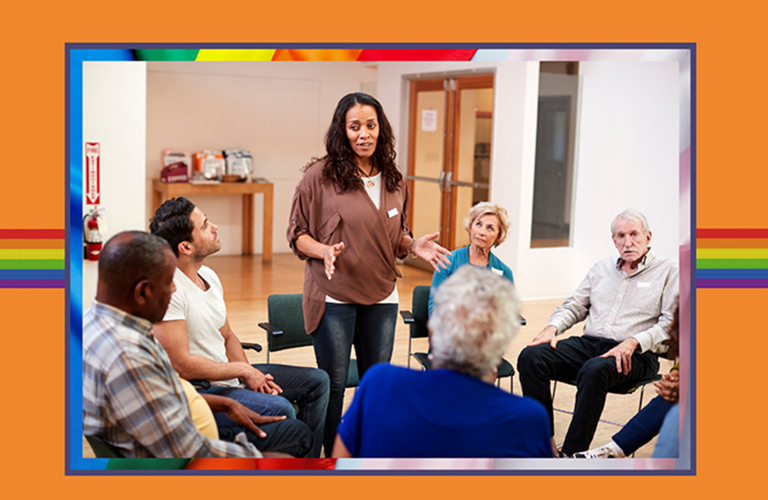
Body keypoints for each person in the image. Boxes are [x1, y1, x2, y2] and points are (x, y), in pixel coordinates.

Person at [287, 92, 451, 454]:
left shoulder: (394, 179)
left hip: (382, 295)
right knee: (332, 386)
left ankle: (366, 454)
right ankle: (327, 458)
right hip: (333, 295)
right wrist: (324, 250)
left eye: (371, 125)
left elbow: (396, 236)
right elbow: (297, 235)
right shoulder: (319, 177)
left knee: (376, 385)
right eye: (355, 126)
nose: (364, 134)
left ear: (381, 129)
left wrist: (412, 246)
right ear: (341, 131)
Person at [150, 198, 329, 458]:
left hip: (229, 374)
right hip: (204, 388)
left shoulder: (208, 275)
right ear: (186, 246)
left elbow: (227, 336)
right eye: (204, 225)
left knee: (318, 381)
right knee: (281, 409)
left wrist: (249, 377)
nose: (214, 226)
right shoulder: (170, 290)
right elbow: (181, 365)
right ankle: (284, 458)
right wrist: (243, 370)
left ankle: (306, 466)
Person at [332, 266, 552, 458]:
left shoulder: (380, 383)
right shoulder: (528, 420)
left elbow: (342, 472)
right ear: (501, 346)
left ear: (432, 331)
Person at [83, 231, 264, 458]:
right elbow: (187, 453)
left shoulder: (87, 325)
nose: (174, 289)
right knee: (294, 437)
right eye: (169, 282)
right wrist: (259, 460)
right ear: (142, 291)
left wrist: (225, 404)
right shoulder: (128, 356)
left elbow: (159, 397)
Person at [517, 209, 679, 457]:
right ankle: (545, 446)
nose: (628, 242)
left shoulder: (669, 270)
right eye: (621, 235)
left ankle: (572, 454)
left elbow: (669, 323)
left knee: (595, 369)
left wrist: (634, 341)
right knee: (531, 357)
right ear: (614, 240)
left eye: (634, 234)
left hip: (638, 353)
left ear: (648, 237)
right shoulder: (601, 268)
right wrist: (552, 328)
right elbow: (574, 305)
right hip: (590, 344)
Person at [574, 303, 680, 458]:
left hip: (641, 354)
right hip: (595, 345)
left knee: (679, 406)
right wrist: (677, 374)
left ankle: (612, 451)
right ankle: (613, 451)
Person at [428, 201, 513, 316]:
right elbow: (435, 307)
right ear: (470, 226)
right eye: (478, 224)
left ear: (498, 236)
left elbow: (507, 314)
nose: (481, 232)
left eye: (490, 228)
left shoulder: (504, 273)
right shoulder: (447, 262)